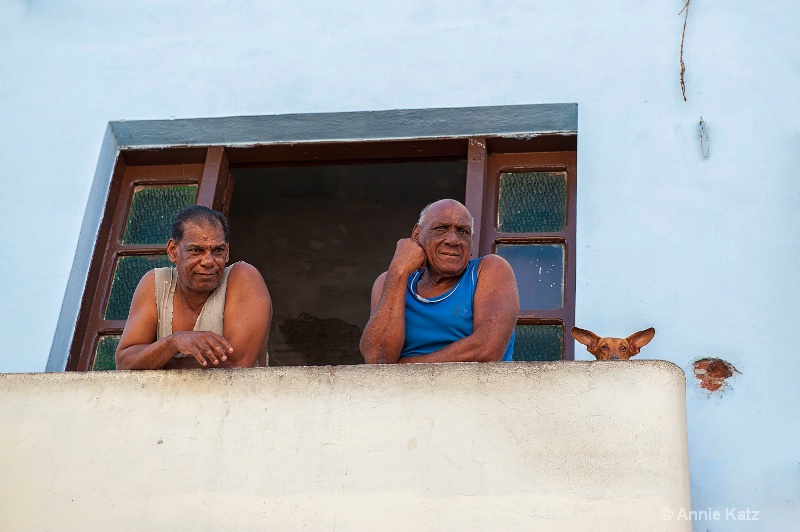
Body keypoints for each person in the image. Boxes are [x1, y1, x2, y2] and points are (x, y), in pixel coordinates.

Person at [360, 199, 519, 364]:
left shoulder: (489, 269)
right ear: (416, 235)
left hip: (474, 388)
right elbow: (377, 359)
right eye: (440, 228)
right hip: (402, 390)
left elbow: (486, 350)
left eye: (463, 231)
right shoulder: (389, 280)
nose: (453, 240)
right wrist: (399, 270)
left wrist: (406, 367)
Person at [116, 206, 272, 369]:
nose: (208, 261)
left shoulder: (243, 277)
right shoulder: (156, 283)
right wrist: (174, 342)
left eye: (217, 250)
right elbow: (125, 362)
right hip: (167, 395)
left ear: (227, 252)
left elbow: (238, 362)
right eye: (196, 250)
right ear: (172, 251)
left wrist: (155, 362)